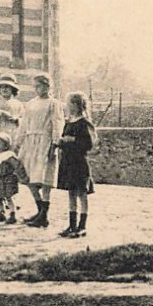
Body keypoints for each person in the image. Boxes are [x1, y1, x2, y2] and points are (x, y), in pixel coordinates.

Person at [16, 72, 65, 229]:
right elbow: (24, 125)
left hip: (45, 142)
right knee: (29, 178)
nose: (39, 89)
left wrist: (55, 144)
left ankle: (44, 215)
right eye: (36, 86)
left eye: (42, 86)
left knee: (44, 179)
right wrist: (18, 143)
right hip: (30, 143)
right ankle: (40, 211)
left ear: (48, 86)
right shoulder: (30, 103)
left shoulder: (53, 104)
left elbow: (58, 124)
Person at [54, 91, 96, 238]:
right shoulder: (68, 122)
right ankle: (72, 225)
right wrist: (61, 143)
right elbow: (65, 139)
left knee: (82, 194)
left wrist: (72, 140)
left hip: (79, 163)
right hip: (68, 162)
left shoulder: (84, 123)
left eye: (69, 103)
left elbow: (88, 144)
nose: (67, 106)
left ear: (77, 105)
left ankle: (82, 226)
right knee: (71, 194)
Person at [0, 135, 29, 224]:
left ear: (5, 146)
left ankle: (13, 213)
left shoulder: (9, 155)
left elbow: (18, 166)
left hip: (7, 179)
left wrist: (23, 177)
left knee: (8, 197)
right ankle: (1, 212)